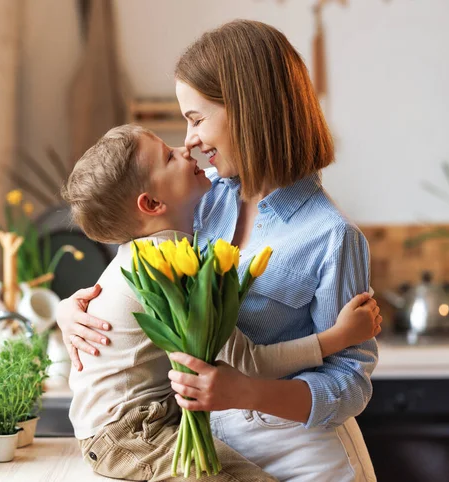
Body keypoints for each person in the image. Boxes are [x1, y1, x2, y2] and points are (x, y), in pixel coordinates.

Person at [58, 20, 379, 482]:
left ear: (248, 112)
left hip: (304, 455)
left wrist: (245, 393)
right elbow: (139, 275)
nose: (188, 141)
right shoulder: (203, 197)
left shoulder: (331, 236)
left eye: (196, 118)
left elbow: (349, 385)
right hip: (203, 444)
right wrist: (76, 311)